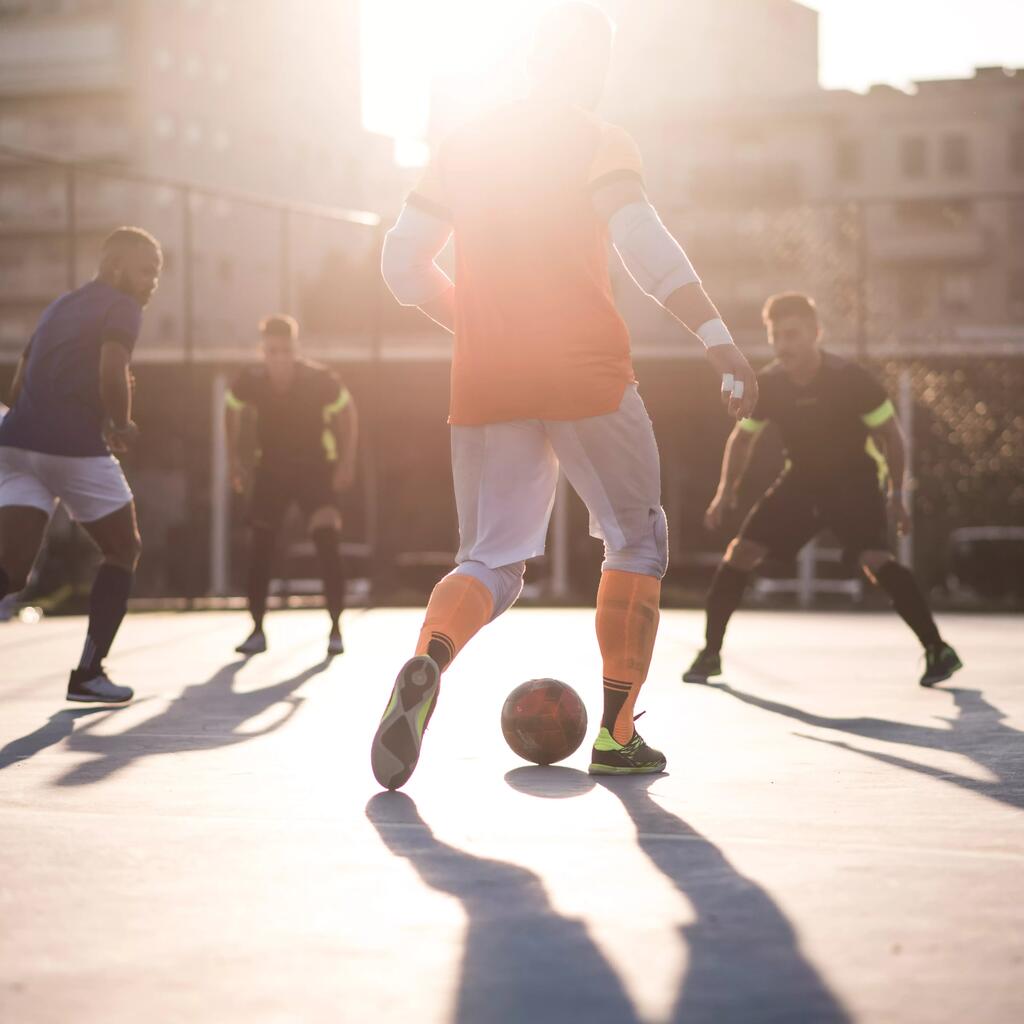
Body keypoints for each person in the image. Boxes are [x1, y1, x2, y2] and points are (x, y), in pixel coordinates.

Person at [371, 2, 758, 790]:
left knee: (491, 560)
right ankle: (616, 736)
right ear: (590, 67)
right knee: (634, 540)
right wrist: (716, 336)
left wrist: (472, 320)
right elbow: (642, 240)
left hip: (485, 376)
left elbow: (400, 262)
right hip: (585, 372)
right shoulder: (596, 138)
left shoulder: (463, 144)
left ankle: (428, 660)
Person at [683, 292, 962, 688]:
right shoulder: (770, 384)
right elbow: (742, 439)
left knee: (875, 560)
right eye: (775, 335)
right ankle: (710, 653)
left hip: (853, 482)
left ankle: (937, 649)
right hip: (800, 481)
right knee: (740, 553)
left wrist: (897, 496)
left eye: (792, 334)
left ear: (816, 333)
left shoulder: (851, 380)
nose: (783, 344)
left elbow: (892, 437)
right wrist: (726, 489)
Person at [0, 226, 162, 702]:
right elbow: (112, 367)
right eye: (146, 270)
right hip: (70, 444)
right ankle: (89, 674)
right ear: (116, 267)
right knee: (123, 547)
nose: (152, 281)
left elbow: (21, 378)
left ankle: (90, 672)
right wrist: (122, 423)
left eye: (157, 273)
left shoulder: (61, 305)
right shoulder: (122, 307)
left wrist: (31, 425)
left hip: (14, 440)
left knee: (11, 572)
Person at [225, 315, 357, 658]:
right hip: (270, 471)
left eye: (285, 350)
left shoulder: (319, 379)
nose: (279, 357)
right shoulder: (251, 380)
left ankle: (335, 629)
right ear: (263, 350)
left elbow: (348, 412)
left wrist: (345, 461)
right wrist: (233, 459)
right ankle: (256, 630)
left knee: (327, 543)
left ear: (295, 349)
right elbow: (231, 408)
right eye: (272, 351)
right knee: (261, 550)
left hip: (315, 470)